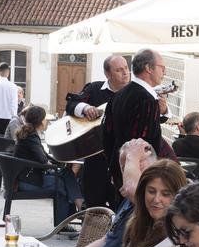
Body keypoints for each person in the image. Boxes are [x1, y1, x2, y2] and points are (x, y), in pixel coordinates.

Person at [62, 138, 157, 247]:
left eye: (136, 165)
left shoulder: (153, 202)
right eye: (126, 168)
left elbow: (131, 188)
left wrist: (132, 156)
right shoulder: (127, 203)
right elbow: (107, 240)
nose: (130, 172)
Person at [103, 49, 177, 200]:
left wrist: (116, 168)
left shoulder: (118, 95)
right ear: (149, 68)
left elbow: (107, 135)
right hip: (138, 176)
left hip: (120, 169)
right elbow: (143, 145)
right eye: (162, 67)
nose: (165, 71)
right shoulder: (147, 100)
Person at [66, 55, 131, 207]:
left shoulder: (133, 94)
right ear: (108, 74)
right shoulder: (95, 89)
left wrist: (163, 110)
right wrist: (86, 108)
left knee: (120, 208)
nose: (125, 73)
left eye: (126, 68)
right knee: (94, 208)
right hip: (95, 161)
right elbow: (71, 104)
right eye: (119, 70)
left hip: (122, 163)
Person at [13, 105, 83, 224]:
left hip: (26, 177)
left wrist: (59, 161)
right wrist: (54, 164)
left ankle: (77, 210)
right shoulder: (31, 136)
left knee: (67, 173)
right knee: (62, 184)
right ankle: (74, 214)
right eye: (45, 118)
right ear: (40, 121)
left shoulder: (29, 133)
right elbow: (43, 160)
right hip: (27, 181)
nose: (46, 121)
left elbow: (44, 156)